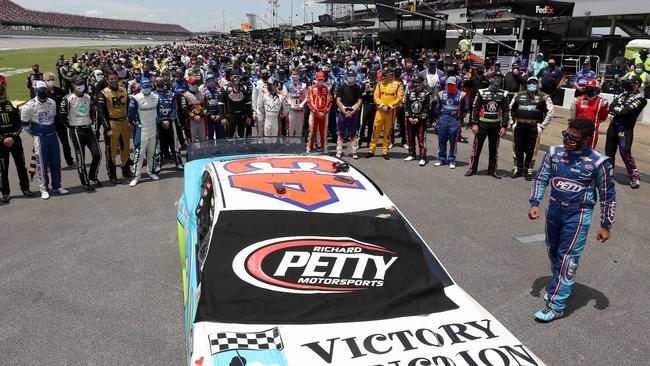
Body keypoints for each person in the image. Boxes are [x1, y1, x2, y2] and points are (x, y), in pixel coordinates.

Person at [528, 118, 616, 322]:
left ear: (586, 140)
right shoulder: (554, 153)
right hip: (554, 211)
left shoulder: (599, 162)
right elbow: (541, 177)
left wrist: (606, 225)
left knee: (567, 259)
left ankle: (555, 305)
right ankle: (563, 283)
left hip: (578, 216)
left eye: (572, 138)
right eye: (566, 135)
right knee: (553, 254)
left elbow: (607, 195)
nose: (567, 139)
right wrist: (535, 202)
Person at [20, 81, 69, 199]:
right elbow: (25, 124)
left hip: (52, 136)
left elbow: (53, 118)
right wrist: (35, 135)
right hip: (40, 137)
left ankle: (57, 185)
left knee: (56, 161)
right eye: (40, 90)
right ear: (35, 91)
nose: (42, 92)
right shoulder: (29, 106)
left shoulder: (52, 102)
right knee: (41, 163)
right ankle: (44, 188)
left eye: (44, 90)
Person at [605, 75, 647, 189]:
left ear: (637, 84)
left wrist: (617, 110)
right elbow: (611, 106)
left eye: (630, 83)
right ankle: (608, 173)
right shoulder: (622, 94)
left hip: (625, 129)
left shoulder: (641, 99)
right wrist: (618, 109)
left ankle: (634, 177)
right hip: (613, 126)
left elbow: (626, 111)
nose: (627, 84)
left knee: (625, 153)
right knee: (609, 152)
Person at [60, 78, 102, 190]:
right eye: (78, 84)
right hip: (76, 130)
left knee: (98, 155)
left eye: (83, 84)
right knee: (80, 158)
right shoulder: (67, 99)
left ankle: (92, 176)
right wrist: (71, 126)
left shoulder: (88, 97)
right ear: (73, 85)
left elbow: (92, 111)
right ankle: (84, 181)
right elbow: (62, 117)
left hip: (88, 128)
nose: (81, 86)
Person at [509, 77, 554, 180]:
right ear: (527, 84)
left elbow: (550, 112)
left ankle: (528, 169)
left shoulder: (544, 96)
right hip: (519, 125)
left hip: (534, 126)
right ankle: (517, 168)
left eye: (534, 83)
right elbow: (510, 109)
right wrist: (512, 123)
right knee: (517, 148)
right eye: (530, 83)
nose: (532, 84)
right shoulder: (518, 95)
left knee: (532, 149)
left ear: (538, 84)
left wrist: (542, 126)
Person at [466, 77, 509, 178]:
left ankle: (492, 170)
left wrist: (504, 126)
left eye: (498, 84)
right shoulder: (481, 92)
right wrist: (474, 123)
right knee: (476, 148)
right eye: (494, 84)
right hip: (482, 124)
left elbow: (506, 110)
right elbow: (475, 108)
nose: (496, 86)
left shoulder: (504, 94)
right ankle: (472, 168)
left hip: (496, 125)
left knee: (494, 149)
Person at [0, 75, 33, 202]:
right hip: (1, 143)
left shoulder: (13, 105)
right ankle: (5, 192)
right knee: (3, 168)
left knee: (21, 165)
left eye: (2, 93)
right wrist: (3, 139)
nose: (2, 97)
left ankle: (25, 188)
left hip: (15, 141)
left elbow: (20, 124)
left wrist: (13, 137)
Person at [98, 69, 132, 184]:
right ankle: (112, 175)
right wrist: (107, 128)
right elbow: (101, 112)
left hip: (124, 122)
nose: (113, 80)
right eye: (111, 79)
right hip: (112, 124)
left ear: (118, 79)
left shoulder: (123, 90)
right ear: (107, 80)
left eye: (115, 78)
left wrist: (130, 123)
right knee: (112, 151)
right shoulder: (103, 93)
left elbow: (128, 108)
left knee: (125, 147)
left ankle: (126, 169)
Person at [128, 79, 160, 187]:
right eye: (145, 86)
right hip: (142, 129)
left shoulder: (156, 97)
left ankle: (151, 171)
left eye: (149, 86)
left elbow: (158, 111)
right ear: (141, 86)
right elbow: (131, 115)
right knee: (139, 154)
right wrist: (136, 124)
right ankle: (136, 176)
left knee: (151, 152)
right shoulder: (135, 98)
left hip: (153, 127)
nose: (147, 88)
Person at [367, 67, 403, 160]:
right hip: (380, 111)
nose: (385, 76)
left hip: (391, 112)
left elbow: (400, 98)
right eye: (385, 74)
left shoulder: (398, 84)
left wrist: (390, 106)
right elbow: (376, 97)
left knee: (388, 132)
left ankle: (385, 151)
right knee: (376, 131)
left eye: (387, 74)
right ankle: (371, 150)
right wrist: (382, 106)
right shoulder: (379, 84)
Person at [433, 76, 469, 169]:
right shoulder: (441, 94)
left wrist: (460, 118)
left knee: (453, 140)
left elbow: (466, 108)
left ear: (456, 84)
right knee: (442, 139)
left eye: (452, 84)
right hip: (443, 118)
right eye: (448, 84)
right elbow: (437, 107)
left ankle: (451, 159)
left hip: (454, 119)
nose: (450, 86)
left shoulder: (462, 94)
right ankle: (441, 158)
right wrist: (437, 118)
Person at [44, 72, 75, 167]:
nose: (51, 81)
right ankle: (50, 164)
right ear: (44, 81)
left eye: (52, 79)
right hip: (49, 123)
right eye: (48, 80)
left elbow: (68, 104)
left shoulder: (60, 91)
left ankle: (69, 161)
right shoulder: (42, 93)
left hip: (60, 121)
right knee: (49, 145)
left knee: (65, 143)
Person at [153, 78, 184, 172]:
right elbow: (153, 110)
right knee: (159, 145)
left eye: (162, 84)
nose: (161, 85)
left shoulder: (172, 94)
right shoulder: (152, 95)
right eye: (158, 84)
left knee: (174, 143)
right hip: (158, 123)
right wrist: (161, 121)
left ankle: (178, 163)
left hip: (171, 122)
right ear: (155, 84)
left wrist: (169, 120)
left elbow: (175, 108)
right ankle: (158, 165)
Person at [570, 79, 609, 148]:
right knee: (572, 150)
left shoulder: (603, 103)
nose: (589, 90)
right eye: (587, 88)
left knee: (588, 154)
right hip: (576, 132)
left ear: (597, 89)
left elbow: (603, 118)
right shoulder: (577, 100)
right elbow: (573, 116)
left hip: (591, 134)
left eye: (592, 88)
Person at [403, 75, 431, 166]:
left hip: (421, 120)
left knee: (421, 138)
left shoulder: (427, 94)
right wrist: (409, 117)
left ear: (422, 83)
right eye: (414, 83)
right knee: (410, 138)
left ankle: (422, 157)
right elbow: (406, 106)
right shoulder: (409, 92)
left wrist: (419, 118)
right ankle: (412, 154)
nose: (416, 85)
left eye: (418, 83)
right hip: (410, 119)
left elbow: (427, 108)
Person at [335, 69, 363, 158]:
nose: (351, 78)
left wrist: (353, 110)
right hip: (343, 112)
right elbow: (338, 100)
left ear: (355, 77)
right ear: (346, 76)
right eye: (349, 76)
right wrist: (344, 110)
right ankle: (339, 151)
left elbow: (360, 100)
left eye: (352, 76)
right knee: (341, 132)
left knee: (353, 132)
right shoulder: (341, 87)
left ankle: (354, 151)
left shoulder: (357, 87)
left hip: (354, 112)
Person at [306, 72, 332, 153]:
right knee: (312, 131)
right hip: (314, 114)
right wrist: (317, 112)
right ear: (316, 79)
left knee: (323, 132)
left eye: (321, 79)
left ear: (324, 79)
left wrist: (324, 112)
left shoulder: (327, 89)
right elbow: (309, 101)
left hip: (324, 114)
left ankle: (324, 149)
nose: (320, 81)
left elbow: (329, 101)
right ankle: (309, 149)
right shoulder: (311, 88)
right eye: (319, 79)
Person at [221, 73, 253, 138]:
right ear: (230, 78)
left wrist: (249, 116)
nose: (236, 78)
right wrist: (223, 117)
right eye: (235, 76)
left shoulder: (244, 87)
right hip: (230, 115)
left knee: (241, 135)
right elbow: (221, 104)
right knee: (230, 136)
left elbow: (248, 103)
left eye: (238, 77)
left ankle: (240, 148)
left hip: (241, 115)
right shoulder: (225, 88)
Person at [282, 68, 308, 137]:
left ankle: (297, 146)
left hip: (300, 109)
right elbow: (285, 97)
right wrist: (292, 106)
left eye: (297, 74)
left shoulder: (303, 85)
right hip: (290, 110)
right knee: (290, 129)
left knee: (299, 129)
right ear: (291, 75)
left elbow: (306, 97)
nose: (295, 76)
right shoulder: (286, 85)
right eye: (294, 74)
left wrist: (301, 105)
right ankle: (290, 146)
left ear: (299, 75)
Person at [182, 76, 208, 142]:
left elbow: (207, 107)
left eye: (196, 83)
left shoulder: (202, 94)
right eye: (193, 83)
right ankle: (192, 152)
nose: (195, 85)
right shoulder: (185, 95)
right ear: (189, 84)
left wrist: (201, 116)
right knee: (192, 138)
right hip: (191, 120)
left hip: (202, 119)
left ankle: (203, 151)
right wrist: (193, 116)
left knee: (203, 138)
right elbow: (184, 109)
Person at [358, 68, 377, 147]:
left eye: (374, 75)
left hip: (374, 106)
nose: (372, 76)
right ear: (368, 75)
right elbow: (360, 95)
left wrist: (374, 91)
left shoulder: (378, 84)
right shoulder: (364, 83)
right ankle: (359, 141)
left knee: (371, 125)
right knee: (362, 124)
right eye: (370, 74)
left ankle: (369, 142)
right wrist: (367, 91)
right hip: (366, 105)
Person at [202, 74, 225, 139]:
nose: (211, 82)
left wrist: (220, 115)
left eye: (212, 80)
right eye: (209, 80)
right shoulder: (203, 92)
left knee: (221, 136)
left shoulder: (219, 90)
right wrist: (209, 115)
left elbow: (223, 104)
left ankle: (221, 148)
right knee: (210, 136)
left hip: (219, 116)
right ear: (206, 82)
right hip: (209, 117)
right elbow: (202, 106)